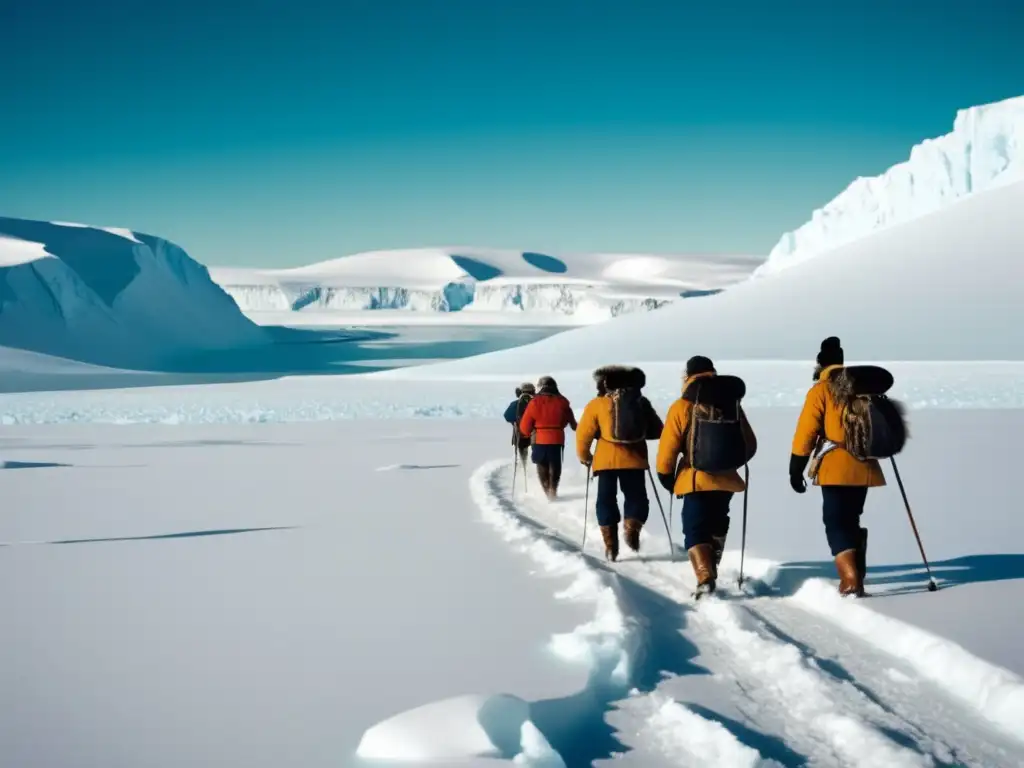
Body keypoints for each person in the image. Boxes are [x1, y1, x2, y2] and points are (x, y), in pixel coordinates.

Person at [789, 336, 884, 597]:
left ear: (820, 365)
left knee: (835, 520)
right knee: (850, 517)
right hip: (865, 463)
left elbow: (806, 432)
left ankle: (851, 581)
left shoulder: (821, 390)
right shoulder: (861, 387)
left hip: (834, 464)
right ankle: (856, 566)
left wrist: (796, 466)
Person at [655, 356, 756, 595]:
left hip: (695, 479)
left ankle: (705, 576)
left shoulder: (682, 406)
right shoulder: (732, 404)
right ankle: (712, 567)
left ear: (688, 376)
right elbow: (750, 444)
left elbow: (668, 448)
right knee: (718, 521)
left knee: (695, 528)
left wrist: (666, 476)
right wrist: (730, 463)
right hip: (727, 479)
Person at [576, 365, 664, 561]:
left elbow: (584, 434)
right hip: (635, 460)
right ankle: (632, 527)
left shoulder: (597, 404)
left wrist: (585, 456)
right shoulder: (641, 403)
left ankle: (610, 546)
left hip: (605, 461)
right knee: (636, 498)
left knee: (606, 500)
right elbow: (658, 430)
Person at [518, 376, 577, 499]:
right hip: (557, 438)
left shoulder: (534, 402)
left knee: (542, 464)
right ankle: (553, 489)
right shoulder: (562, 401)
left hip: (539, 439)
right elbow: (572, 422)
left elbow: (525, 426)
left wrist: (527, 433)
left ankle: (547, 490)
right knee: (555, 465)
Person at [503, 383, 536, 466]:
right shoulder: (538, 404)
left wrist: (515, 422)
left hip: (520, 435)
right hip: (536, 436)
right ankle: (536, 471)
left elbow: (507, 416)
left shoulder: (515, 404)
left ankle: (523, 470)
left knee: (523, 457)